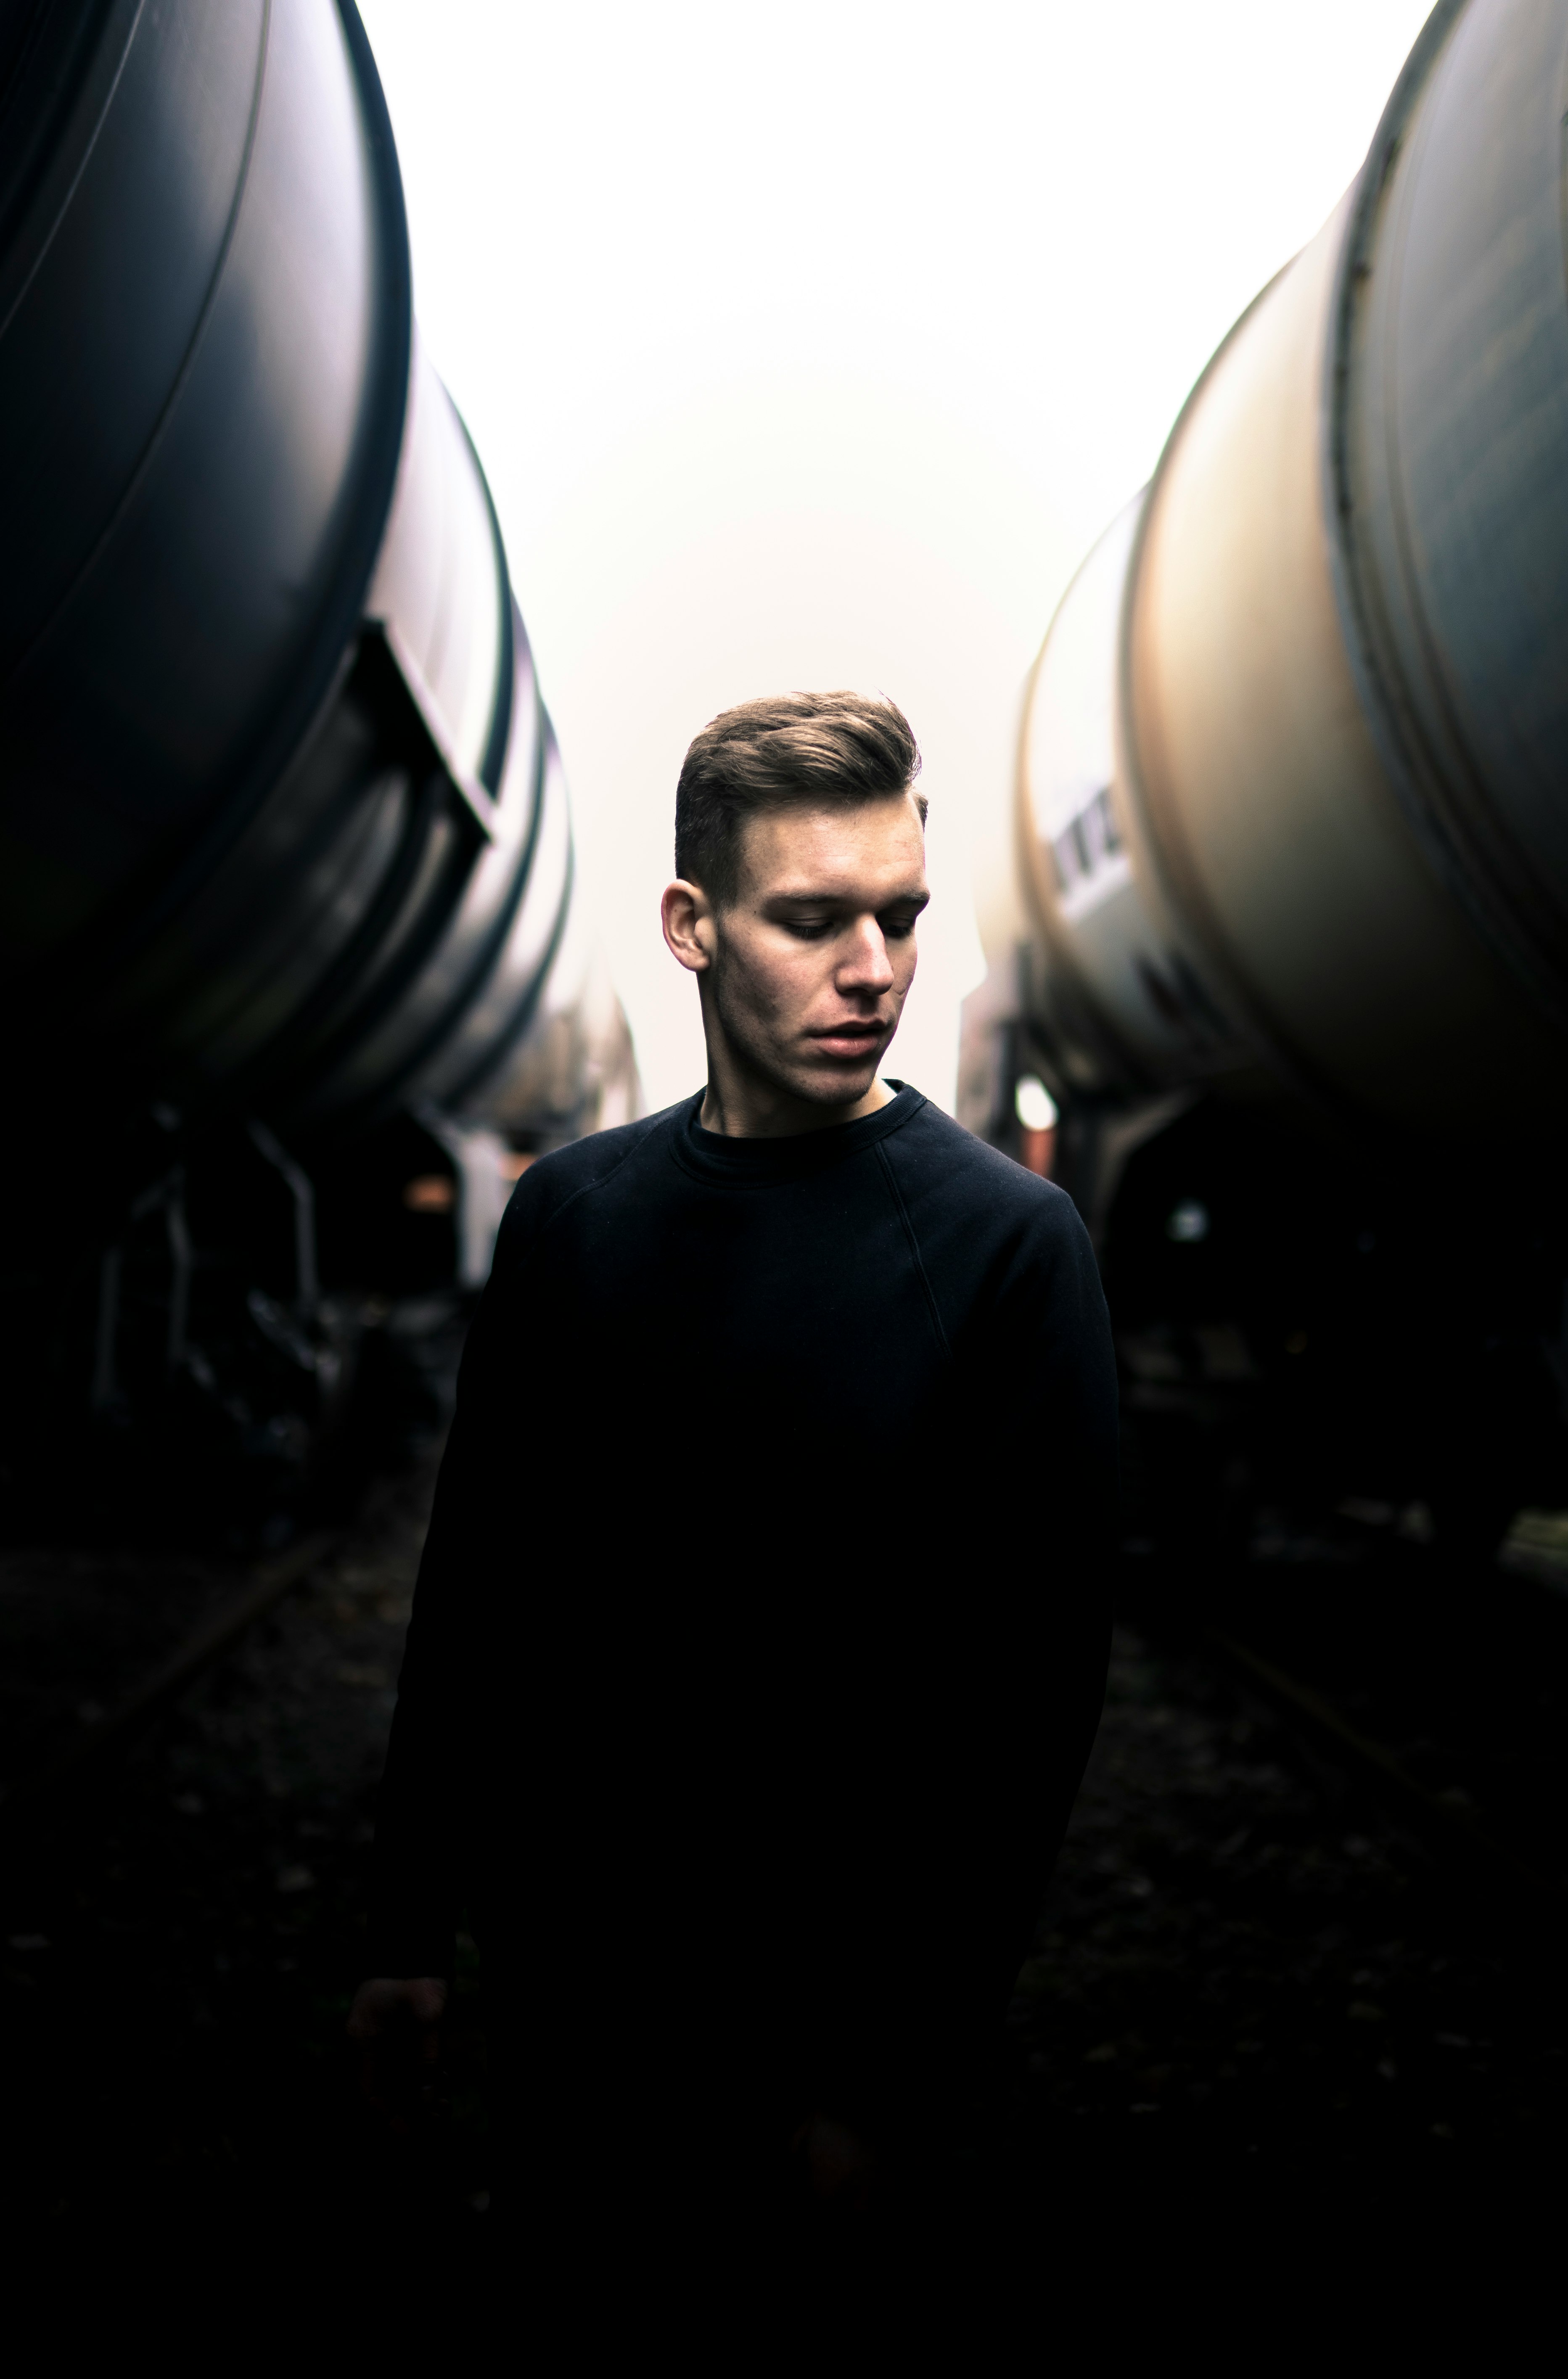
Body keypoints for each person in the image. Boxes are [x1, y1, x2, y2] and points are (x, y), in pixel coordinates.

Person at [349, 690, 1116, 2239]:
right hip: (575, 2017)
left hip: (826, 2046)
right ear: (690, 925)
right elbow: (478, 1590)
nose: (876, 970)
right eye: (814, 920)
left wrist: (890, 2087)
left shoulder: (1009, 1252)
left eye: (900, 916)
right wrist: (406, 1928)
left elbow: (1026, 1712)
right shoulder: (570, 1222)